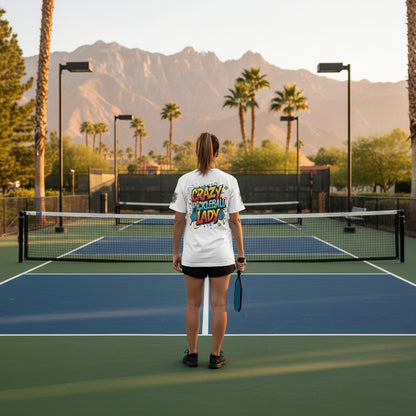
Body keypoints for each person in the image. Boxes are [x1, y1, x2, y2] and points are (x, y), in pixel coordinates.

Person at [169, 132, 246, 369]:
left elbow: (178, 221)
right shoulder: (229, 181)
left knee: (193, 305)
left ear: (196, 152)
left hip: (193, 255)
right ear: (217, 153)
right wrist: (241, 254)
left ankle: (192, 354)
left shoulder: (184, 181)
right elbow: (235, 221)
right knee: (219, 306)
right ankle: (215, 356)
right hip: (221, 255)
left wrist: (176, 252)